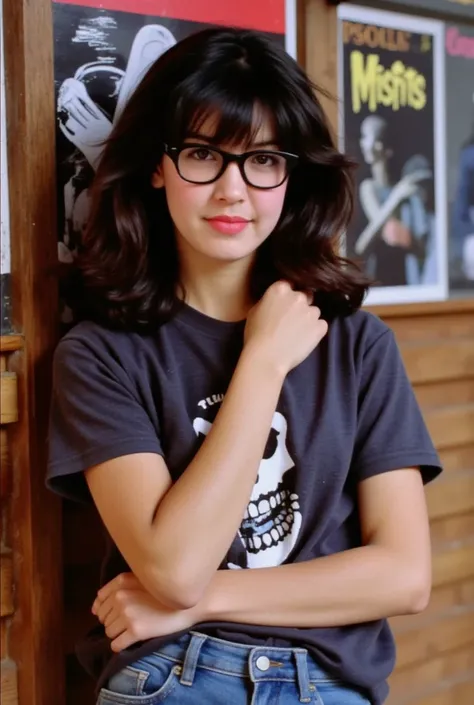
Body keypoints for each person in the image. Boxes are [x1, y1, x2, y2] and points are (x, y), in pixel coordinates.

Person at [47, 28, 442, 705]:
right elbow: (171, 568)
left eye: (262, 160)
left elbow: (404, 575)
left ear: (291, 173)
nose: (234, 190)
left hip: (328, 682)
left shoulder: (357, 344)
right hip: (175, 677)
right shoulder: (100, 353)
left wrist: (203, 600)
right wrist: (261, 361)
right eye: (203, 154)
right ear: (157, 165)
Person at [356, 115, 433, 287]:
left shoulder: (404, 190)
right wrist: (396, 197)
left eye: (366, 137)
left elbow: (420, 249)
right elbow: (361, 245)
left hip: (405, 279)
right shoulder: (369, 187)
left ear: (380, 145)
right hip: (379, 280)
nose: (362, 143)